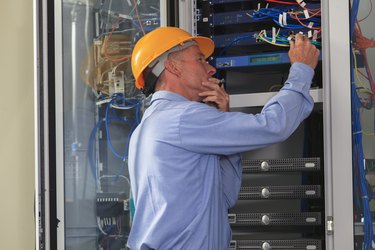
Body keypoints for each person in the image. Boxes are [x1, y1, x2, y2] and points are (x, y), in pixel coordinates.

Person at [127, 26, 320, 250]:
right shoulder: (183, 118)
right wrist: (301, 70)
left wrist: (221, 119)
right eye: (200, 59)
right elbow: (273, 126)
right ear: (172, 66)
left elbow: (226, 196)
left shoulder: (149, 125)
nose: (210, 69)